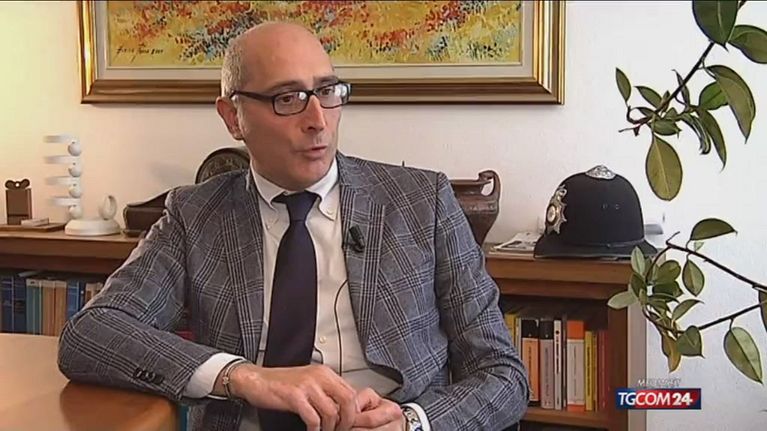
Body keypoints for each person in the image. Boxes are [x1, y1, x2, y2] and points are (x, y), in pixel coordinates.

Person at [58, 21, 529, 431]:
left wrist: (412, 422)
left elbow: (503, 374)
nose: (317, 121)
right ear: (233, 117)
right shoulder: (195, 214)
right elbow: (90, 333)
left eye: (327, 92)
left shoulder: (422, 203)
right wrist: (245, 377)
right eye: (288, 99)